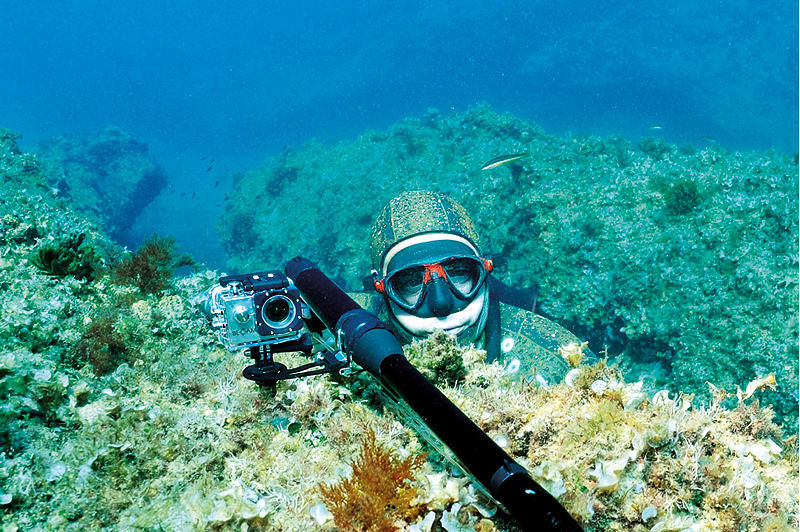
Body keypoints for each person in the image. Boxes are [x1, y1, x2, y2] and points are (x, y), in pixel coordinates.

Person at [353, 190, 593, 385]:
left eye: (459, 273)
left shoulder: (556, 358)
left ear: (484, 269)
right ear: (382, 289)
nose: (442, 304)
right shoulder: (337, 323)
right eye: (411, 282)